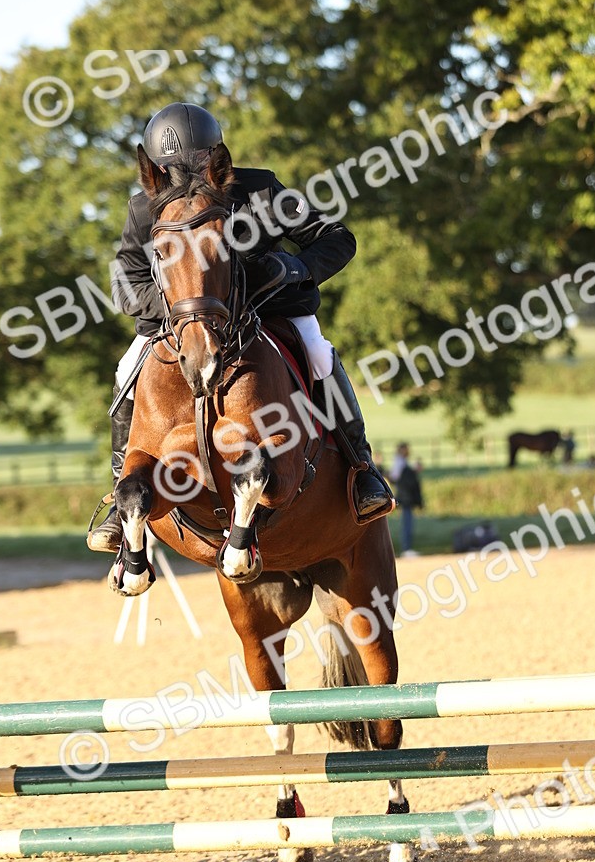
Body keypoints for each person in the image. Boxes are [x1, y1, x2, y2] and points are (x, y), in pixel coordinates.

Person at [88, 102, 393, 552]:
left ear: (217, 162)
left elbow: (337, 238)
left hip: (272, 310)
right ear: (158, 173)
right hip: (182, 321)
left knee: (319, 353)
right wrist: (182, 307)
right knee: (125, 369)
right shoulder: (143, 209)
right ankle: (121, 495)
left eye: (197, 170)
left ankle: (361, 468)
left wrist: (293, 267)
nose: (186, 183)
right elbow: (126, 281)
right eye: (174, 174)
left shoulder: (261, 190)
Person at [389, 443, 424, 557]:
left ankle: (407, 548)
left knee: (408, 523)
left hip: (406, 498)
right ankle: (406, 548)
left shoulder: (401, 462)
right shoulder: (399, 463)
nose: (408, 451)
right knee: (406, 524)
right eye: (406, 449)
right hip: (405, 498)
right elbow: (395, 478)